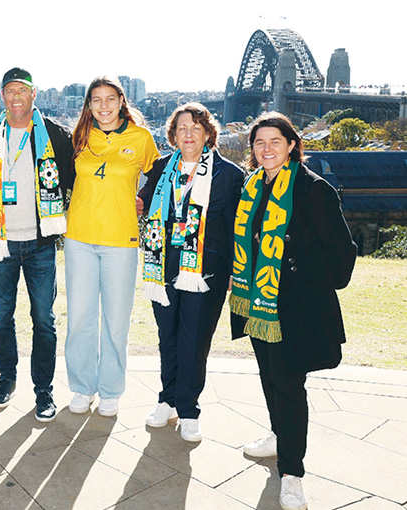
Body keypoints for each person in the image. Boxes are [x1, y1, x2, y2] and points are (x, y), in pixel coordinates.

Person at [232, 112, 356, 510]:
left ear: (291, 145)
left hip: (294, 305)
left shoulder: (312, 188)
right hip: (257, 300)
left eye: (275, 141)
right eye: (259, 142)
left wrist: (306, 281)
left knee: (288, 384)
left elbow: (341, 253)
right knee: (269, 376)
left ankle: (293, 473)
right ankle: (278, 435)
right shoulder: (252, 186)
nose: (266, 149)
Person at [0, 68, 74, 422]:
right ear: (2, 96)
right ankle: (6, 378)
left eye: (23, 90)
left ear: (34, 95)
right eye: (10, 91)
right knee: (2, 317)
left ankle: (43, 390)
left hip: (40, 243)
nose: (16, 97)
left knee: (43, 320)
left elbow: (75, 180)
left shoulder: (57, 136)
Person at [137, 103, 244, 442]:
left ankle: (189, 409)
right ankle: (167, 399)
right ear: (172, 133)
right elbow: (144, 205)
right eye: (182, 127)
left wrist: (233, 272)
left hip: (206, 270)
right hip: (163, 266)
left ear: (208, 133)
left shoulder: (228, 174)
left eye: (196, 127)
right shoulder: (160, 169)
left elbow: (234, 229)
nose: (188, 134)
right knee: (167, 336)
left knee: (194, 340)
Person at [63, 76, 158, 418]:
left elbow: (159, 175)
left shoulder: (141, 137)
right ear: (88, 105)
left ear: (121, 101)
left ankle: (111, 390)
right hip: (79, 240)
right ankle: (82, 387)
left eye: (109, 99)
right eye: (96, 100)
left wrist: (143, 198)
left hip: (121, 241)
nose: (103, 106)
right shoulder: (79, 137)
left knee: (116, 321)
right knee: (80, 319)